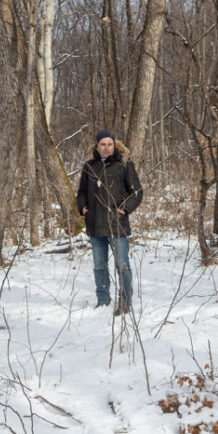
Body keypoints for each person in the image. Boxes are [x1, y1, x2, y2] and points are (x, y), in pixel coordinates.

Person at [76, 130, 143, 315]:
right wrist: (83, 208)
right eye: (102, 144)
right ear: (97, 146)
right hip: (95, 225)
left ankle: (125, 302)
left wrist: (124, 209)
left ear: (115, 145)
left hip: (117, 224)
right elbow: (81, 192)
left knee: (122, 265)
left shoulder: (124, 165)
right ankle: (103, 300)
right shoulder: (89, 166)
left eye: (110, 144)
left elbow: (137, 193)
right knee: (99, 266)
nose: (106, 148)